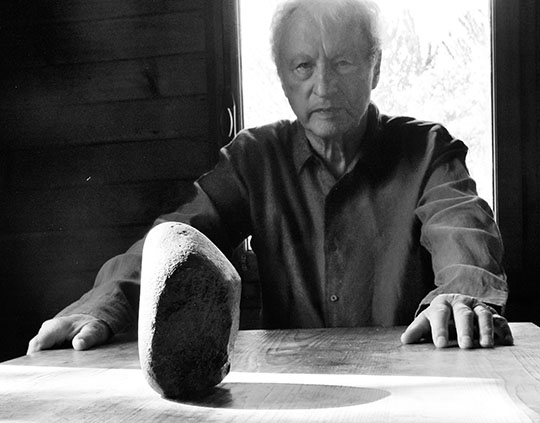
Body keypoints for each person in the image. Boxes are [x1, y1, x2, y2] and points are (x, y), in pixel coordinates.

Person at [27, 0, 513, 355]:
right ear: (282, 77)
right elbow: (178, 236)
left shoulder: (427, 149)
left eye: (343, 62)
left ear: (376, 68)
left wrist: (463, 294)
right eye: (303, 66)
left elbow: (461, 226)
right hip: (290, 383)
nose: (324, 86)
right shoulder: (253, 160)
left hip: (413, 378)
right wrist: (102, 304)